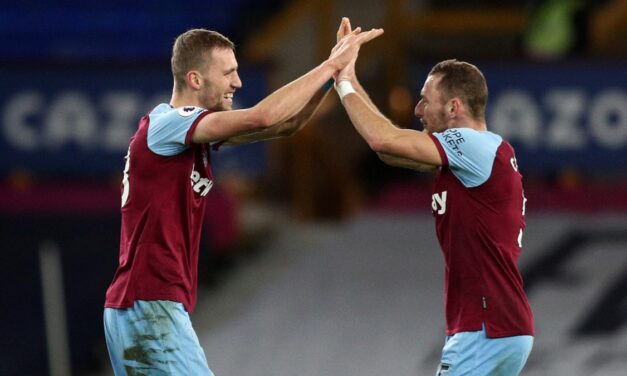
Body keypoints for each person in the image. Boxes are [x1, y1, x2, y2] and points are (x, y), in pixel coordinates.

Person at [103, 22, 383, 375]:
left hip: (141, 306)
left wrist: (335, 71)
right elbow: (263, 115)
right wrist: (329, 66)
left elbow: (284, 125)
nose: (238, 82)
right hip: (149, 305)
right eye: (229, 73)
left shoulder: (186, 133)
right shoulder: (170, 124)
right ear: (195, 80)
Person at [333, 19, 534, 376]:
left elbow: (385, 140)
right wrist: (346, 76)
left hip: (485, 325)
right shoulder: (475, 157)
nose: (418, 110)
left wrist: (344, 80)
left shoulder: (472, 145)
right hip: (501, 324)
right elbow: (390, 150)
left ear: (454, 108)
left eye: (425, 101)